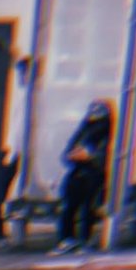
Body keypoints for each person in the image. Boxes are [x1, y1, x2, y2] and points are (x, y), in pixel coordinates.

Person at [54, 100, 113, 250]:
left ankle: (84, 238)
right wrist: (73, 155)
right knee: (69, 205)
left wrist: (90, 156)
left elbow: (105, 155)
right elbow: (67, 153)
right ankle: (68, 239)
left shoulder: (108, 133)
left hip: (95, 174)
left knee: (89, 206)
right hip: (78, 172)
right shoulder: (83, 131)